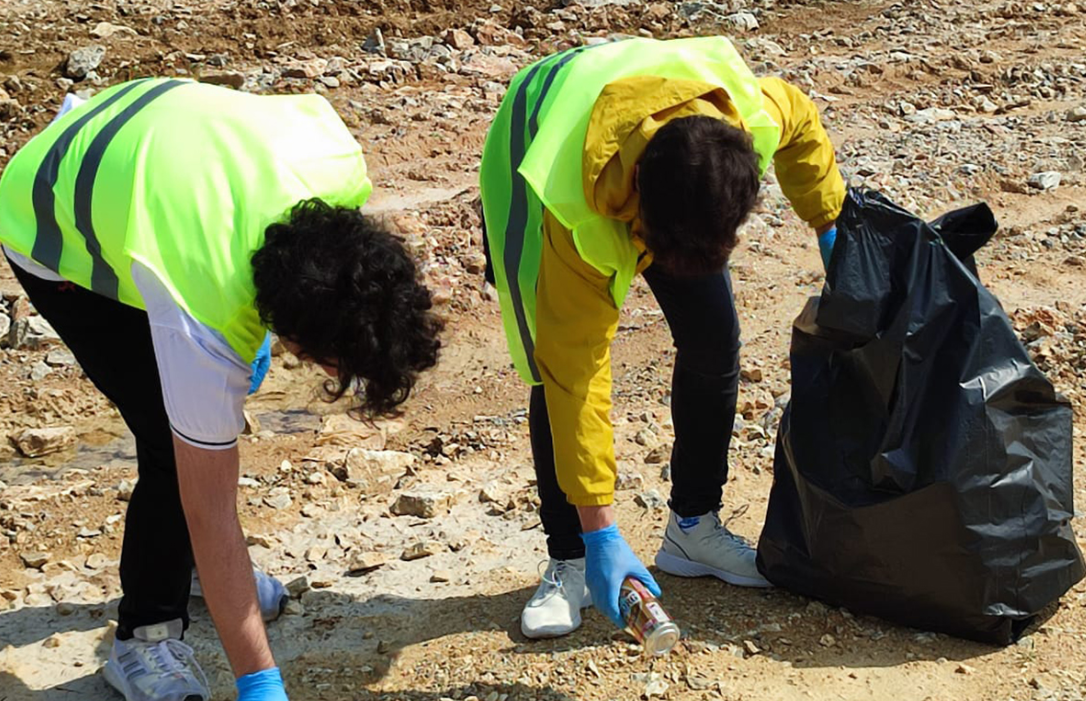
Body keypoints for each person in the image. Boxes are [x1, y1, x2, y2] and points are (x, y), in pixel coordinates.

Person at [0, 78, 443, 701]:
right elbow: (209, 503)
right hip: (44, 205)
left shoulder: (337, 163)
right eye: (327, 366)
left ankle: (197, 572)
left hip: (141, 145)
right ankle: (145, 638)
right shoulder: (201, 302)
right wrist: (260, 684)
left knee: (212, 405)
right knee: (167, 433)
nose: (326, 378)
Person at [479, 36, 845, 638]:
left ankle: (692, 527)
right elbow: (579, 373)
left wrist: (829, 221)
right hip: (534, 138)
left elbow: (801, 120)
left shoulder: (743, 122)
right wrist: (602, 531)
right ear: (641, 214)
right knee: (552, 369)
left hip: (656, 121)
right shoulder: (575, 209)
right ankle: (570, 558)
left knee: (712, 336)